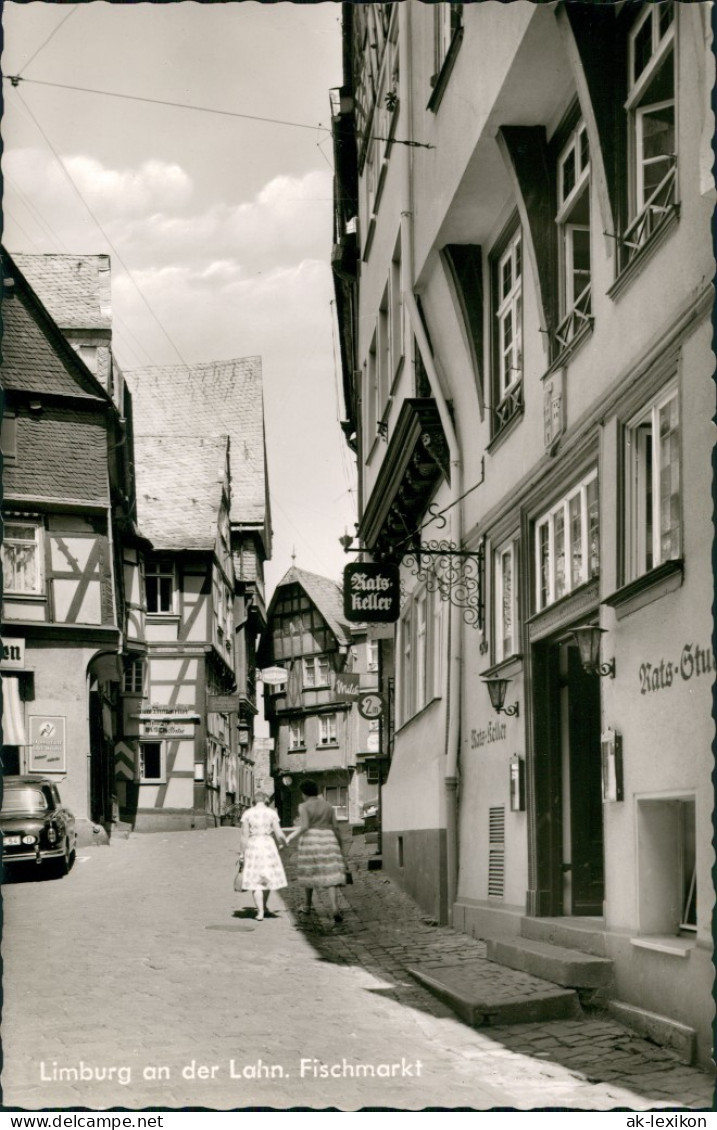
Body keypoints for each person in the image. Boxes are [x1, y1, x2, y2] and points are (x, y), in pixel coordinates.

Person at [287, 780, 348, 923]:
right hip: (328, 839)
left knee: (309, 872)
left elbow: (305, 826)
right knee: (330, 874)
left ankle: (307, 905)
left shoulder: (303, 806)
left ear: (304, 793)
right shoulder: (328, 806)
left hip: (311, 840)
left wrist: (290, 836)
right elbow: (336, 827)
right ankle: (334, 908)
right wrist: (340, 845)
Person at [238, 791, 288, 921]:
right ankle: (264, 906)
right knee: (266, 876)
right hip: (268, 845)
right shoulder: (272, 813)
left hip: (253, 845)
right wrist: (284, 842)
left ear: (254, 801)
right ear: (266, 800)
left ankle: (260, 911)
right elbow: (279, 833)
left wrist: (242, 853)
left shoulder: (247, 813)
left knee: (255, 879)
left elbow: (244, 836)